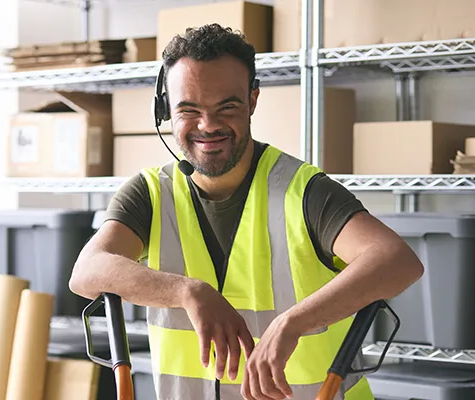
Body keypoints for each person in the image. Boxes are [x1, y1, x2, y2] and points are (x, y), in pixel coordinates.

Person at [69, 23, 424, 400]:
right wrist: (188, 291)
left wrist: (292, 323)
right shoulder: (150, 193)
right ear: (166, 110)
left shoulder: (303, 191)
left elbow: (397, 261)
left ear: (252, 100)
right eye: (189, 109)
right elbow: (87, 271)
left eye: (228, 106)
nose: (208, 125)